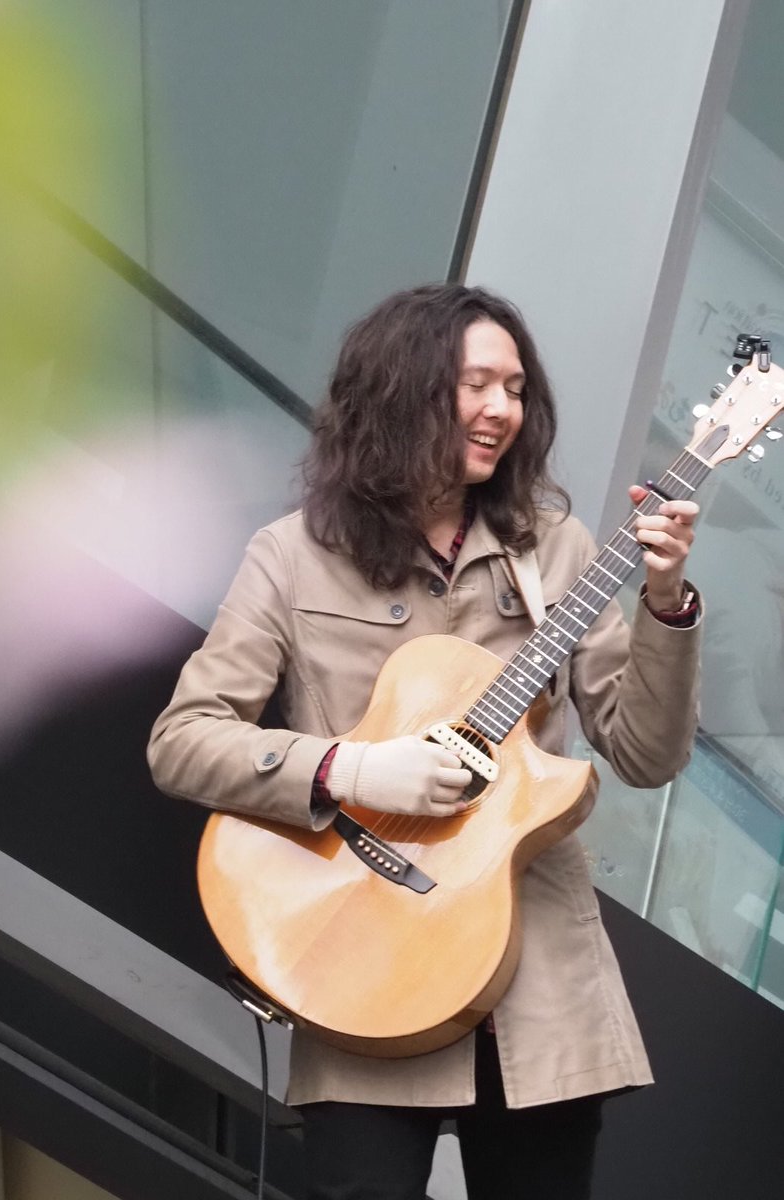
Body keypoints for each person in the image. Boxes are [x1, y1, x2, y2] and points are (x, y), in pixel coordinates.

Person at [148, 284, 701, 1200]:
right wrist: (354, 767)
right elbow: (182, 742)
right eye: (476, 384)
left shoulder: (558, 549)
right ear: (401, 388)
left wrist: (666, 601)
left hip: (537, 985)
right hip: (358, 954)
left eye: (516, 389)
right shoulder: (288, 555)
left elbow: (647, 755)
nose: (502, 410)